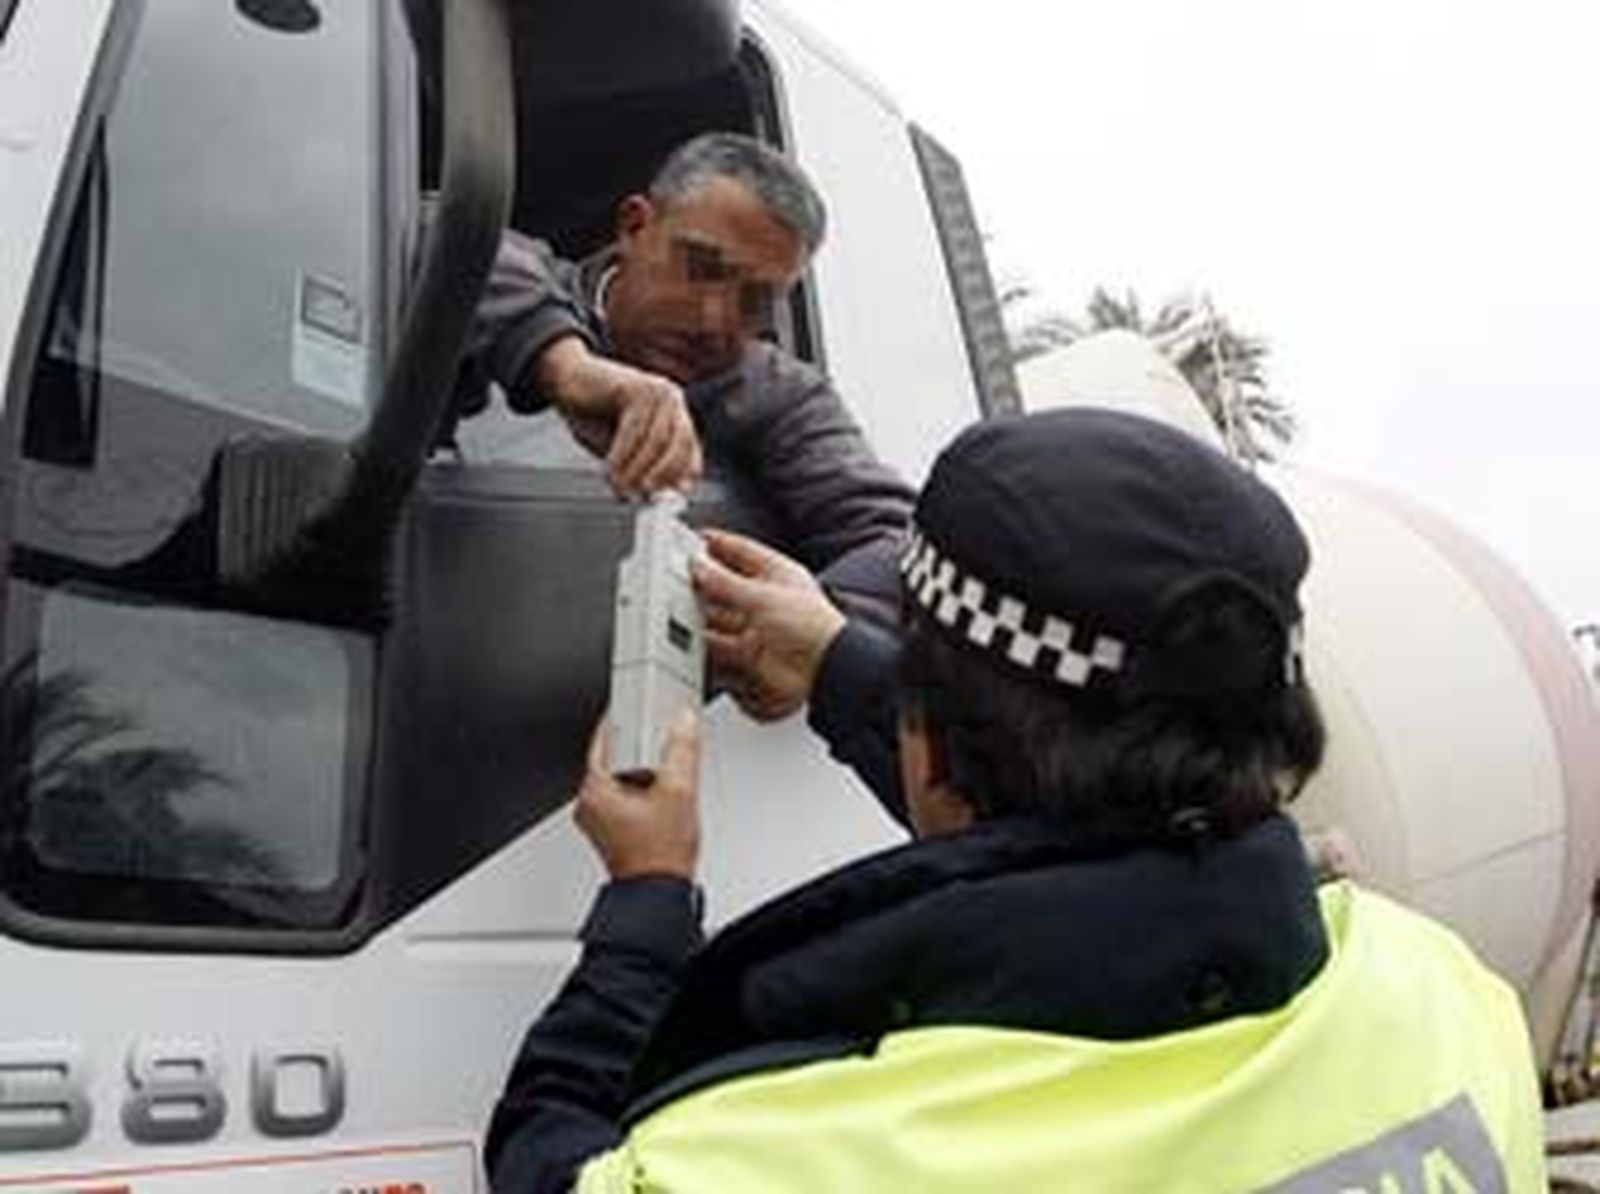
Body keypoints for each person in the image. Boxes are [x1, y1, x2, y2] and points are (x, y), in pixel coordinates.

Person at [487, 408, 1547, 1192]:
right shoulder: (1448, 998)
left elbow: (553, 1158)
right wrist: (847, 666)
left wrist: (646, 898)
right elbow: (1097, 831)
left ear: (932, 746)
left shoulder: (790, 1156)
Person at [457, 130, 913, 587]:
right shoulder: (514, 288)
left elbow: (896, 551)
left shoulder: (778, 396)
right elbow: (448, 231)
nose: (715, 321)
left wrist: (801, 621)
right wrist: (562, 364)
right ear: (634, 227)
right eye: (702, 269)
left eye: (756, 299)